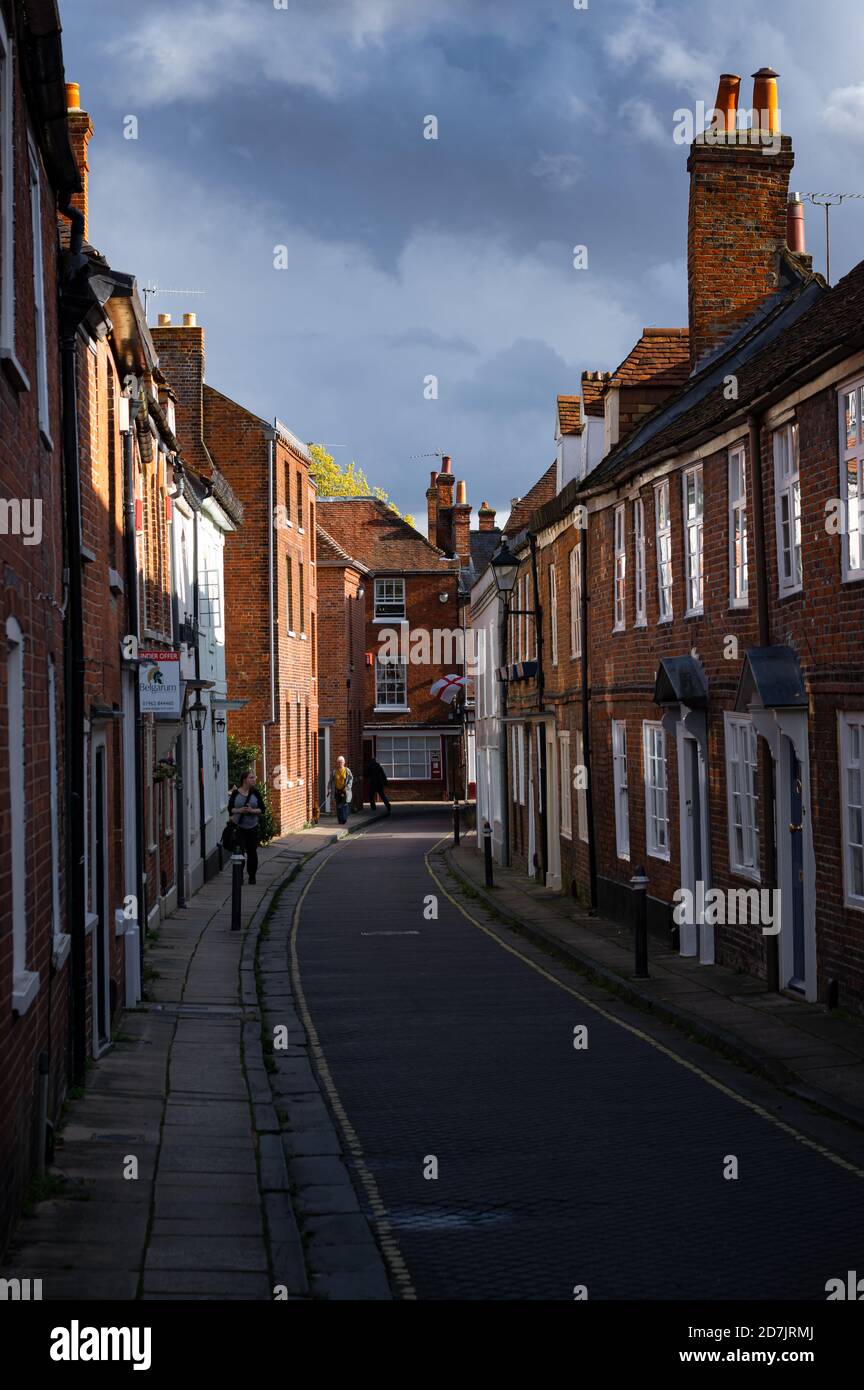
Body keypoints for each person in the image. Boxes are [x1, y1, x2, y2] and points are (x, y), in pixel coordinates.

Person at [228, 769, 264, 884]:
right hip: (239, 828)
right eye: (251, 777)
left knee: (252, 853)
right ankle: (239, 877)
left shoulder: (255, 793)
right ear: (245, 780)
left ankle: (252, 876)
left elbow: (262, 809)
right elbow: (230, 809)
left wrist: (252, 811)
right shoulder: (235, 793)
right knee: (240, 853)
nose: (254, 779)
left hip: (252, 827)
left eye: (254, 778)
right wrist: (240, 810)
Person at [328, 756, 353, 825]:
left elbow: (351, 779)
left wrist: (347, 787)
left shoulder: (347, 770)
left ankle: (344, 819)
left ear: (344, 762)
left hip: (345, 791)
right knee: (338, 806)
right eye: (338, 762)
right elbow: (330, 781)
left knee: (344, 805)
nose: (340, 763)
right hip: (337, 791)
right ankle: (340, 820)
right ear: (337, 763)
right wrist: (329, 789)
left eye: (341, 762)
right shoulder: (334, 771)